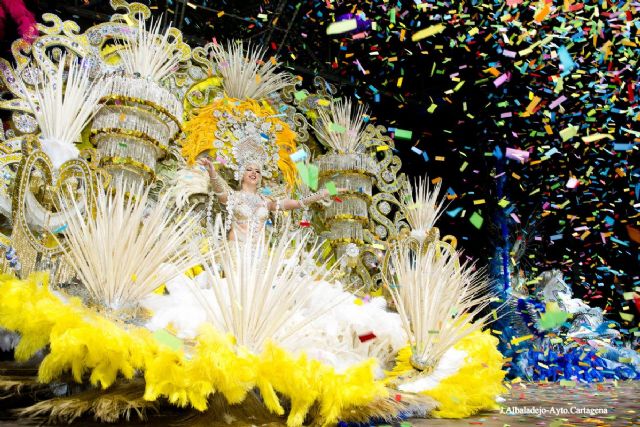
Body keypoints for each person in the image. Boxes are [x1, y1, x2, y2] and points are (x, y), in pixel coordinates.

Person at [200, 155, 334, 242]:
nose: (254, 172)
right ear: (241, 174)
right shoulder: (233, 197)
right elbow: (219, 191)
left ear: (260, 177)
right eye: (249, 169)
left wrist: (322, 193)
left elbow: (299, 203)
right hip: (236, 250)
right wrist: (211, 171)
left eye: (258, 171)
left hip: (259, 254)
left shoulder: (267, 202)